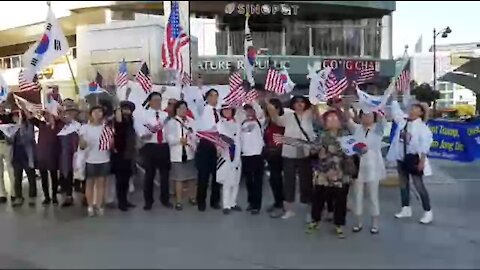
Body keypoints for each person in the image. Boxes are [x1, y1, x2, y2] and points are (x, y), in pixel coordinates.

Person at [306, 110, 356, 238]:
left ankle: (339, 224)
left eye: (335, 119)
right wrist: (317, 152)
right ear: (325, 123)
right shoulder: (321, 136)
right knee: (318, 197)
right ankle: (315, 220)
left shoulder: (346, 136)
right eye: (329, 119)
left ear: (340, 122)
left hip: (341, 173)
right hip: (323, 172)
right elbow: (312, 152)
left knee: (340, 200)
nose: (332, 121)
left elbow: (354, 154)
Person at [388, 95, 434, 224]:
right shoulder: (403, 121)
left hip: (413, 158)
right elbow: (396, 111)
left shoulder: (422, 128)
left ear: (421, 113)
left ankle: (428, 211)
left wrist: (422, 161)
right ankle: (405, 208)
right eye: (412, 108)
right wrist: (395, 98)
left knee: (418, 185)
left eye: (416, 109)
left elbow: (425, 145)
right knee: (403, 184)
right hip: (401, 157)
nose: (412, 110)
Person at [266, 96, 314, 220]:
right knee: (289, 181)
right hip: (289, 152)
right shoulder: (288, 114)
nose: (299, 104)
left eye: (302, 102)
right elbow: (276, 120)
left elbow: (320, 119)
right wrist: (270, 108)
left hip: (306, 152)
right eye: (297, 102)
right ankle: (289, 209)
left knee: (307, 182)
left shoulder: (310, 114)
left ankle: (310, 210)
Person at [346, 109, 386, 234]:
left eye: (369, 116)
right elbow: (347, 118)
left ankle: (375, 223)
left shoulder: (378, 129)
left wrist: (379, 105)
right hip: (358, 167)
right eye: (363, 115)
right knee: (357, 195)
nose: (366, 118)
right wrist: (347, 105)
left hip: (373, 167)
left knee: (373, 196)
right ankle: (358, 222)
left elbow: (383, 119)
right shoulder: (356, 129)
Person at [136, 92, 172, 210]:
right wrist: (143, 135)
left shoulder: (165, 116)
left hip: (163, 146)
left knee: (165, 175)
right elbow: (140, 130)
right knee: (149, 175)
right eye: (155, 100)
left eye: (159, 100)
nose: (158, 102)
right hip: (150, 146)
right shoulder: (144, 115)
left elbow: (169, 132)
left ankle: (165, 199)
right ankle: (148, 201)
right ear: (150, 101)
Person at [79, 106, 113, 217]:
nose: (98, 114)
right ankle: (90, 206)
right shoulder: (85, 128)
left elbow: (110, 144)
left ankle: (98, 205)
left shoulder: (106, 128)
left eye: (100, 112)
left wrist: (111, 142)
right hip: (90, 160)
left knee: (101, 184)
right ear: (91, 114)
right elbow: (82, 145)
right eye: (95, 112)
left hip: (104, 159)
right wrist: (83, 142)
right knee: (89, 184)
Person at [165, 100, 197, 210]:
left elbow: (195, 136)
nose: (183, 110)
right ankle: (178, 201)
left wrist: (190, 142)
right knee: (178, 178)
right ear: (176, 110)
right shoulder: (171, 122)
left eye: (184, 108)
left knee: (192, 177)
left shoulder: (191, 121)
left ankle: (192, 197)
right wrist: (179, 140)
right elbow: (168, 138)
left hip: (189, 152)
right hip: (177, 154)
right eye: (180, 108)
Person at [195, 89, 222, 211]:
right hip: (205, 145)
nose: (214, 99)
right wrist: (199, 88)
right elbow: (199, 101)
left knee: (217, 175)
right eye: (211, 96)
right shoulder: (203, 109)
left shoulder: (220, 112)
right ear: (207, 98)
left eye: (216, 96)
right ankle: (201, 201)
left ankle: (215, 201)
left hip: (218, 146)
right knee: (203, 176)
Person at [216, 103, 242, 215]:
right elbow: (218, 139)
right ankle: (226, 204)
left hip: (237, 154)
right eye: (225, 110)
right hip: (225, 155)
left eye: (229, 110)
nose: (227, 112)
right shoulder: (219, 124)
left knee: (236, 180)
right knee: (227, 181)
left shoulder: (238, 123)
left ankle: (233, 202)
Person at [241, 102, 266, 215]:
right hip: (245, 155)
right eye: (247, 110)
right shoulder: (241, 123)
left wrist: (252, 100)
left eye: (251, 110)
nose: (249, 112)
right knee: (249, 181)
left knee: (257, 181)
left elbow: (259, 110)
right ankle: (251, 202)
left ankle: (257, 205)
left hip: (257, 155)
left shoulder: (260, 121)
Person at [112, 101, 137, 211]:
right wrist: (118, 119)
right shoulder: (116, 122)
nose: (127, 111)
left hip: (129, 154)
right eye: (124, 109)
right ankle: (121, 202)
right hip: (119, 154)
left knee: (126, 179)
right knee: (120, 180)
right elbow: (118, 133)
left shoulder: (131, 121)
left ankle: (125, 200)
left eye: (128, 109)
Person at [32, 110, 61, 206]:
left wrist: (55, 117)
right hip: (42, 155)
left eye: (48, 114)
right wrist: (23, 107)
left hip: (53, 154)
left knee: (54, 177)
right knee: (44, 177)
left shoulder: (57, 125)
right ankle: (46, 196)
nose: (47, 116)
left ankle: (54, 196)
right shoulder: (41, 124)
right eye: (45, 115)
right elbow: (30, 117)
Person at [263, 98, 285, 218]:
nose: (272, 110)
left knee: (278, 180)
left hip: (280, 153)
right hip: (270, 153)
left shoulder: (281, 121)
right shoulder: (267, 122)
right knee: (273, 180)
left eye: (275, 107)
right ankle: (277, 202)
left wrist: (270, 108)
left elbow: (275, 118)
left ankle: (280, 205)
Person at [11, 109, 37, 207]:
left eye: (16, 116)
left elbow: (29, 137)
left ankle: (32, 197)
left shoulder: (28, 125)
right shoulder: (13, 127)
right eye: (13, 116)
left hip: (27, 154)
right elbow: (10, 140)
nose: (15, 118)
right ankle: (18, 197)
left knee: (31, 177)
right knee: (17, 178)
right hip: (16, 155)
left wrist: (20, 127)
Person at [57, 101, 81, 207]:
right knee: (67, 174)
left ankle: (85, 196)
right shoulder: (63, 126)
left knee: (81, 174)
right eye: (68, 112)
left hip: (78, 154)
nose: (70, 114)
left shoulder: (80, 125)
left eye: (72, 112)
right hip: (65, 155)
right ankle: (68, 196)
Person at [0, 101, 15, 203]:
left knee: (10, 168)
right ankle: (1, 193)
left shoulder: (8, 116)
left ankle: (14, 192)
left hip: (6, 144)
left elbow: (14, 128)